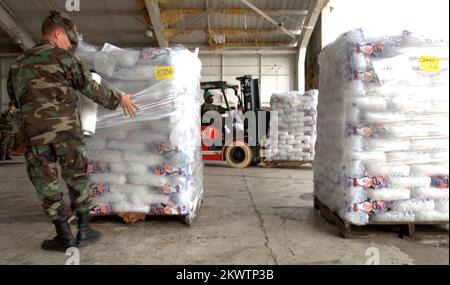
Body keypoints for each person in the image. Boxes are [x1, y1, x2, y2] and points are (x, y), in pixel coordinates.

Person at [7, 11, 139, 252]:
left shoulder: (17, 64)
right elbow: (91, 89)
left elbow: (14, 98)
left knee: (46, 185)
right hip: (67, 133)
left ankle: (64, 235)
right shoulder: (65, 59)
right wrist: (119, 99)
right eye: (68, 39)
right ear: (57, 34)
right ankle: (85, 230)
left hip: (34, 136)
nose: (70, 44)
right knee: (77, 178)